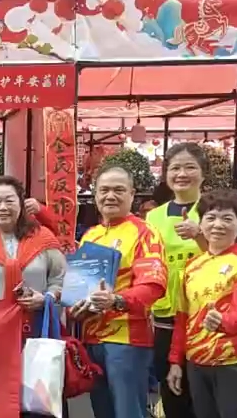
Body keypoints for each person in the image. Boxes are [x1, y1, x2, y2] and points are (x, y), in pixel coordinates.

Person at [71, 166, 167, 418]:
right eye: (104, 190)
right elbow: (78, 290)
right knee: (101, 411)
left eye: (118, 190)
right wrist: (75, 308)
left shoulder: (144, 232)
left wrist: (116, 300)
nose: (110, 196)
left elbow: (153, 286)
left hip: (127, 340)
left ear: (132, 194)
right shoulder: (90, 235)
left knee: (128, 412)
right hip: (92, 339)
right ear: (95, 195)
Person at [167, 189, 237, 418]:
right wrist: (175, 361)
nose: (218, 225)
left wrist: (223, 321)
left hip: (236, 363)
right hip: (197, 364)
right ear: (200, 224)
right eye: (211, 218)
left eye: (227, 218)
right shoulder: (191, 267)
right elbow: (182, 318)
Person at [145, 143, 208, 418]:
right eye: (175, 168)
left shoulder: (214, 211)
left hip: (203, 313)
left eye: (190, 167)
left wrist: (199, 234)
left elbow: (232, 257)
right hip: (165, 313)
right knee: (171, 387)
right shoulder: (154, 216)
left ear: (203, 173)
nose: (182, 174)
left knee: (202, 388)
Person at [0, 176, 66, 324]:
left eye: (9, 201)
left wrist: (46, 298)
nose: (3, 208)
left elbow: (60, 280)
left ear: (21, 203)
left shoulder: (44, 240)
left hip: (37, 328)